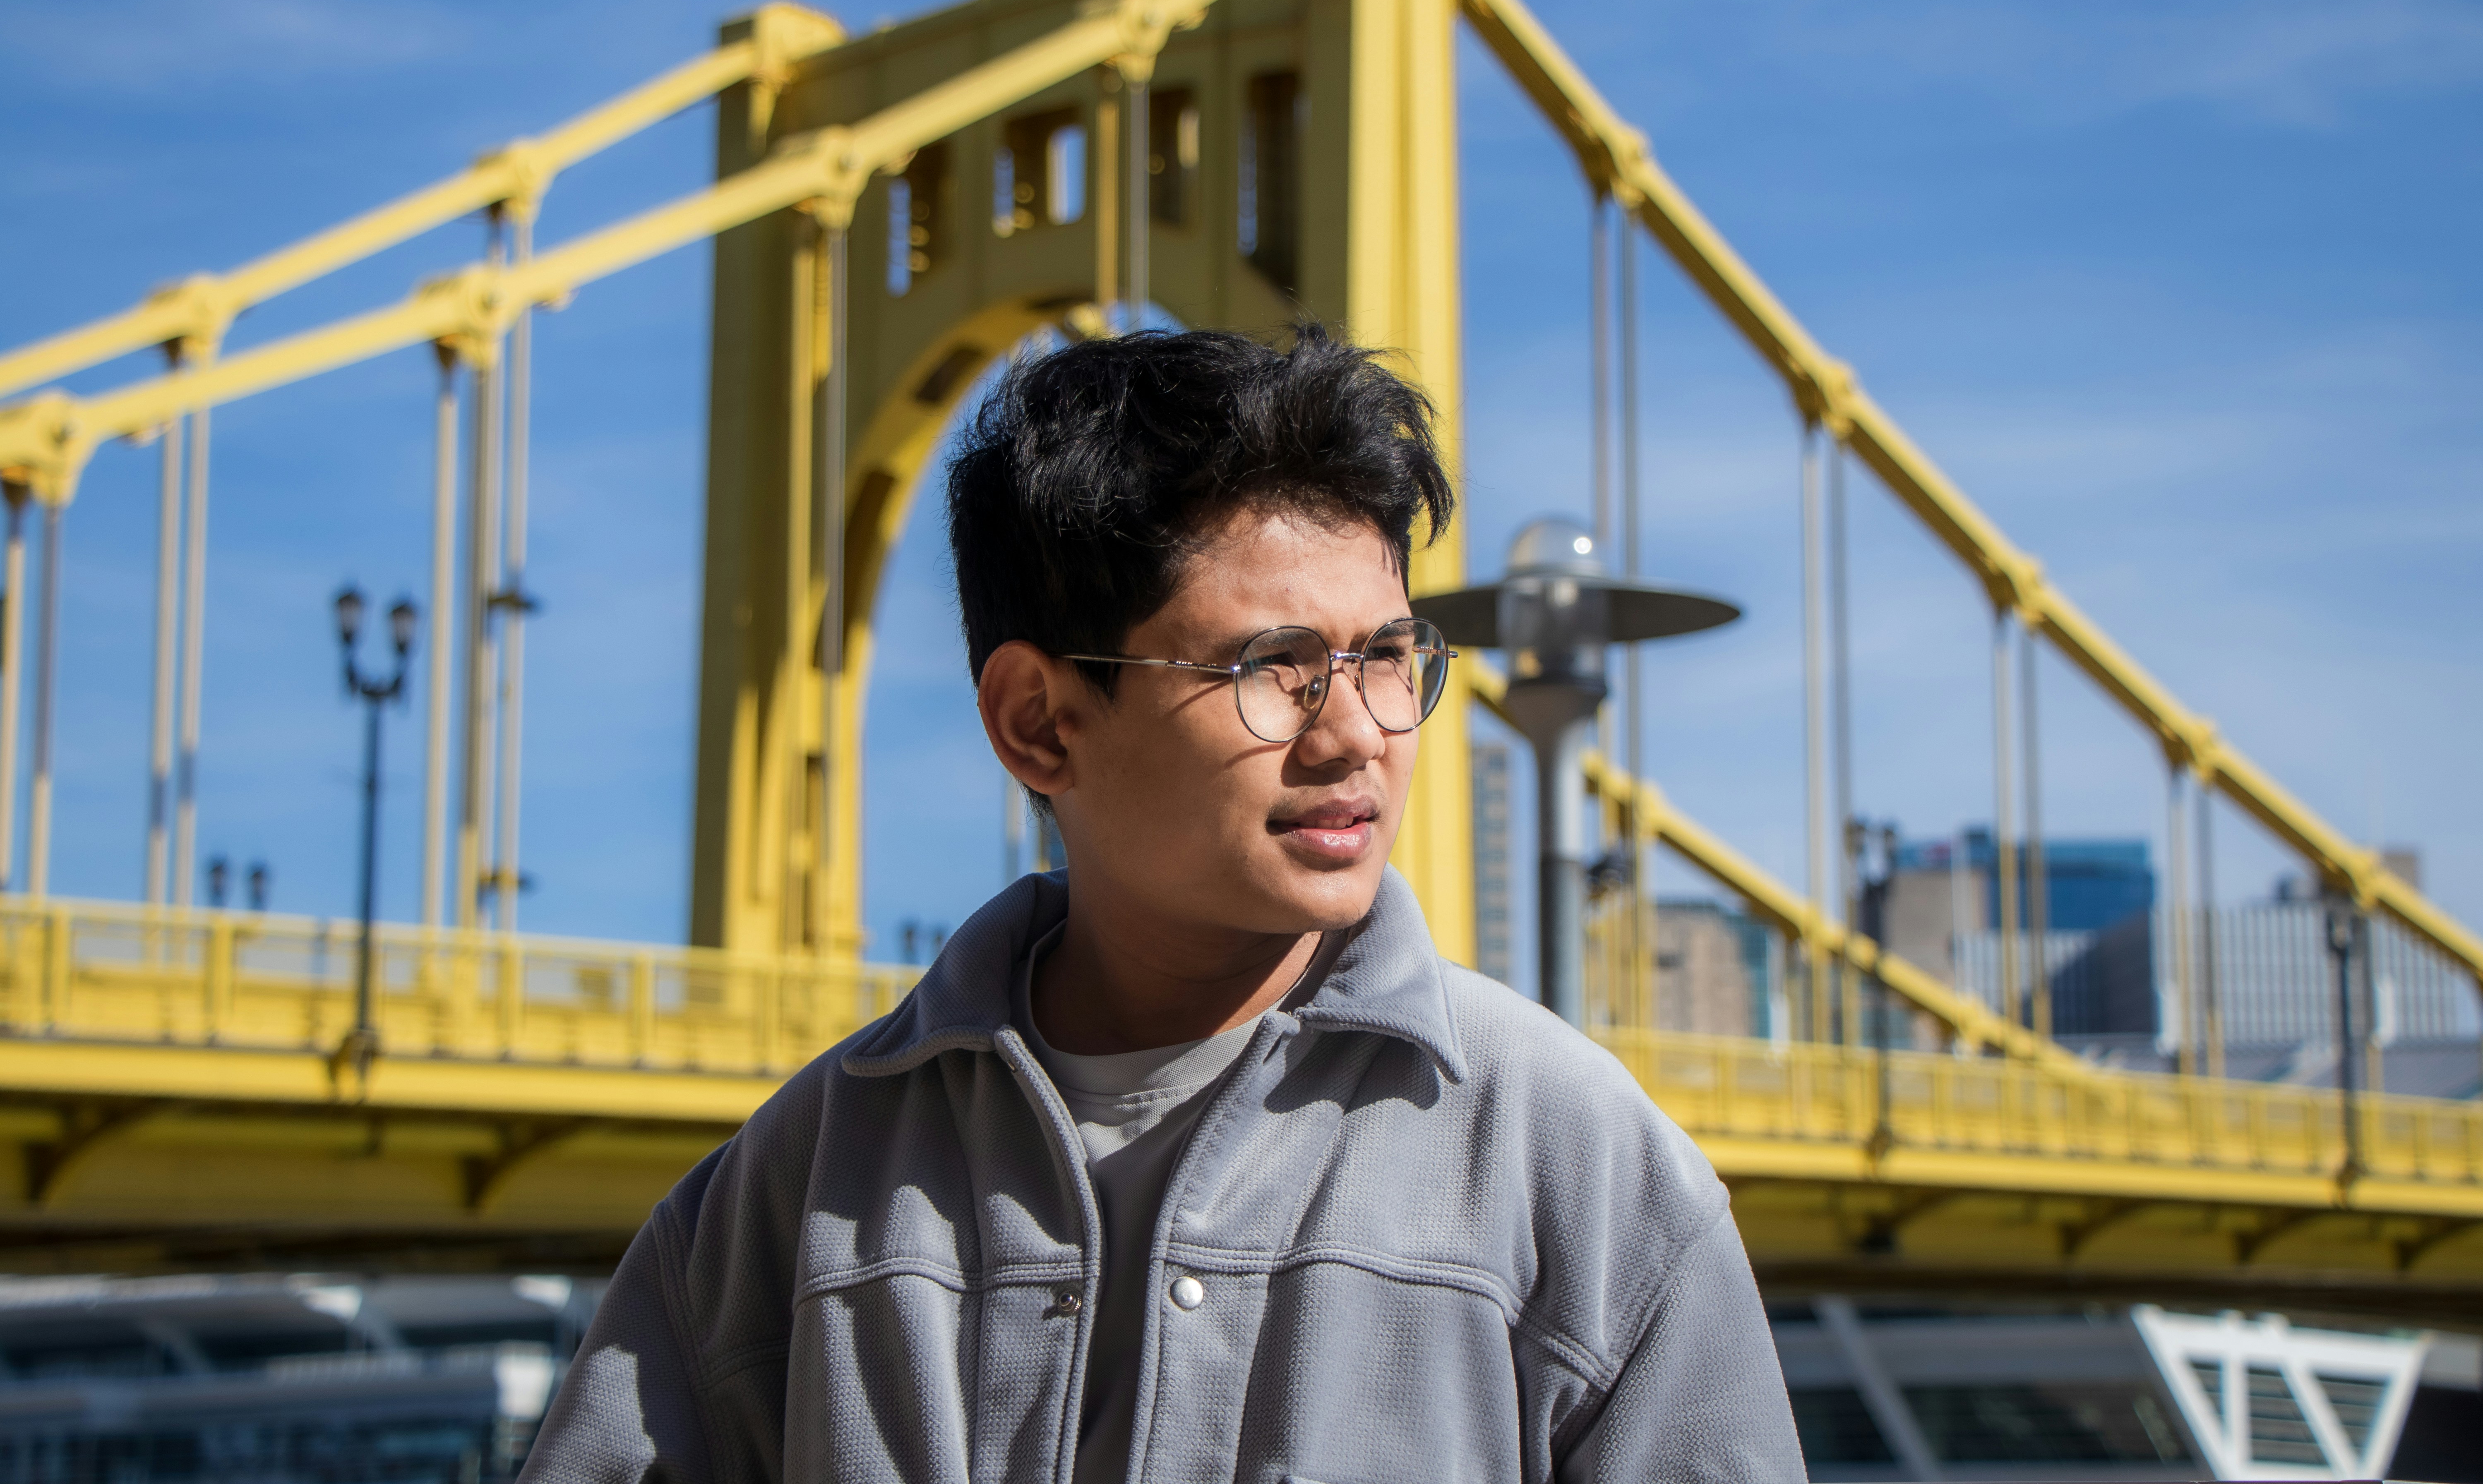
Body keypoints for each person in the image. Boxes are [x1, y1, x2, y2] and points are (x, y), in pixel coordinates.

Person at [519, 329, 1804, 1484]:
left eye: (1390, 660)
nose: (1359, 735)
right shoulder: (801, 1186)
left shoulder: (1578, 1168)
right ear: (1039, 721)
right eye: (1276, 670)